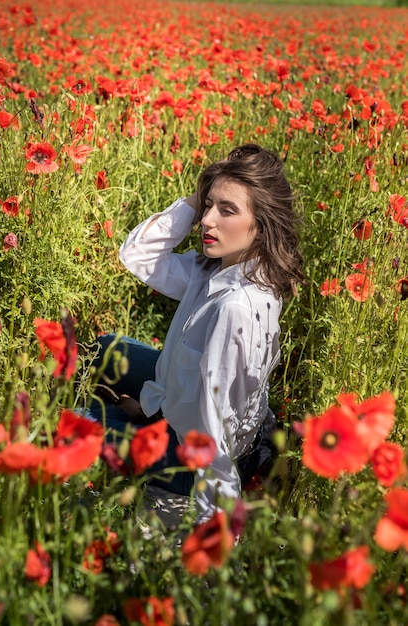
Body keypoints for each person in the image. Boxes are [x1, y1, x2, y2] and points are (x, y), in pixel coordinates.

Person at [90, 143, 304, 524]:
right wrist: (201, 191)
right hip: (178, 404)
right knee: (100, 348)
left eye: (227, 210)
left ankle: (146, 438)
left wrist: (219, 535)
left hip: (189, 458)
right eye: (208, 205)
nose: (207, 220)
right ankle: (143, 415)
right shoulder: (219, 268)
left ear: (262, 226)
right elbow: (138, 256)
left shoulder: (236, 308)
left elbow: (214, 429)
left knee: (67, 423)